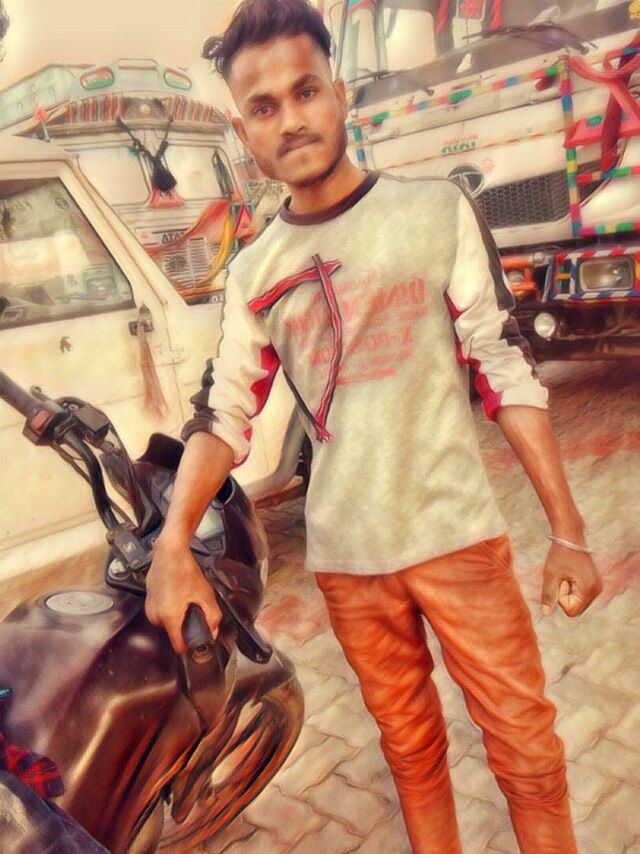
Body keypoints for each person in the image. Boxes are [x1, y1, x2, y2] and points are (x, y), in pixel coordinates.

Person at [145, 1, 602, 851]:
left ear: (341, 94)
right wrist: (173, 545)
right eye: (263, 106)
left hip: (457, 539)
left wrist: (567, 533)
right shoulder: (255, 271)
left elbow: (504, 365)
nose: (290, 119)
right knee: (412, 756)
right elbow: (224, 411)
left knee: (530, 756)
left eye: (305, 91)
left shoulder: (435, 211)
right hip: (348, 564)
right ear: (244, 129)